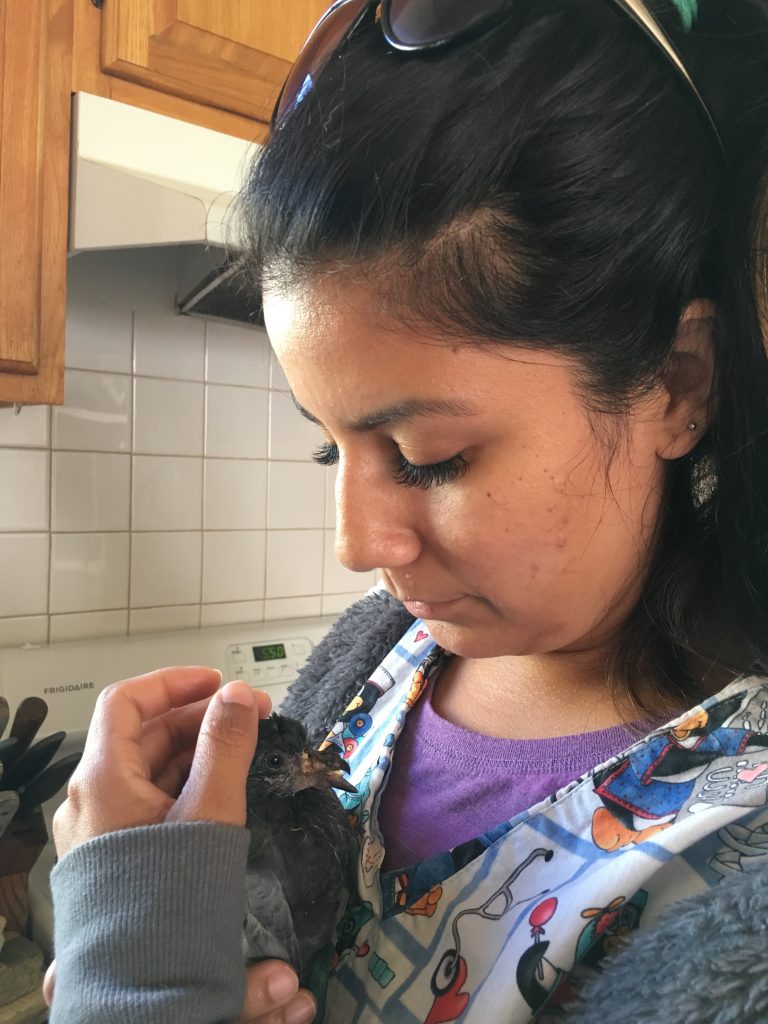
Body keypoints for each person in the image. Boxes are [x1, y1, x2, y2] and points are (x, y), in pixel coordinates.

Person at [47, 0, 768, 1021]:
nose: (354, 545)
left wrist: (129, 981)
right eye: (325, 443)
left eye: (432, 457)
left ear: (677, 385)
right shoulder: (380, 668)